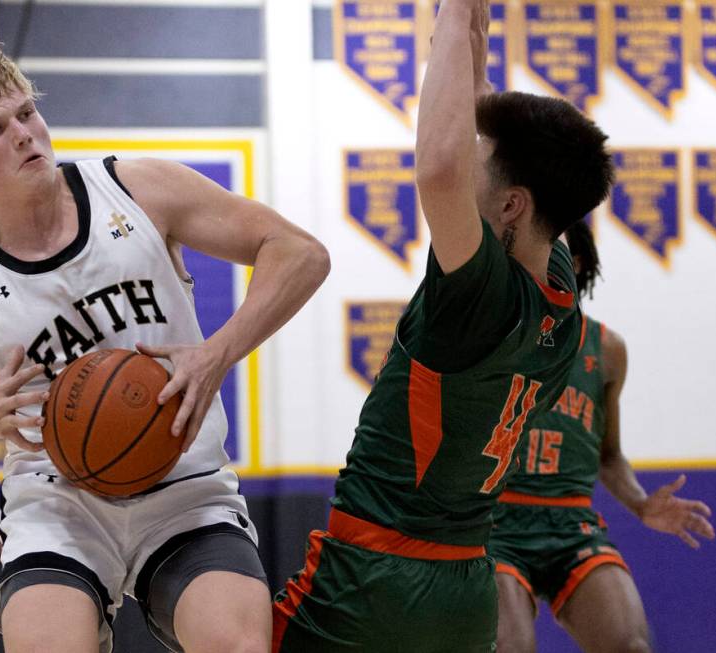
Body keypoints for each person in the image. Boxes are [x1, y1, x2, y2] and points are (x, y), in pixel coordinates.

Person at [0, 29, 329, 653]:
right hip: (57, 505)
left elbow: (300, 253)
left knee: (240, 646)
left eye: (26, 111)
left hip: (184, 484)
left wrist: (219, 350)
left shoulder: (137, 189)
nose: (24, 132)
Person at [272, 1, 615, 651]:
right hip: (463, 590)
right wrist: (467, 23)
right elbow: (474, 104)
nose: (466, 159)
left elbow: (437, 166)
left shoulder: (479, 296)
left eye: (479, 161)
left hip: (373, 578)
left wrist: (456, 15)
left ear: (510, 205)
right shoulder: (559, 295)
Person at [490, 220, 715, 653]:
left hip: (570, 523)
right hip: (496, 521)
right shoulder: (488, 335)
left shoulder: (607, 349)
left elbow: (608, 455)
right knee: (508, 647)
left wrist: (641, 503)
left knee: (629, 644)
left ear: (572, 265)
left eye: (547, 247)